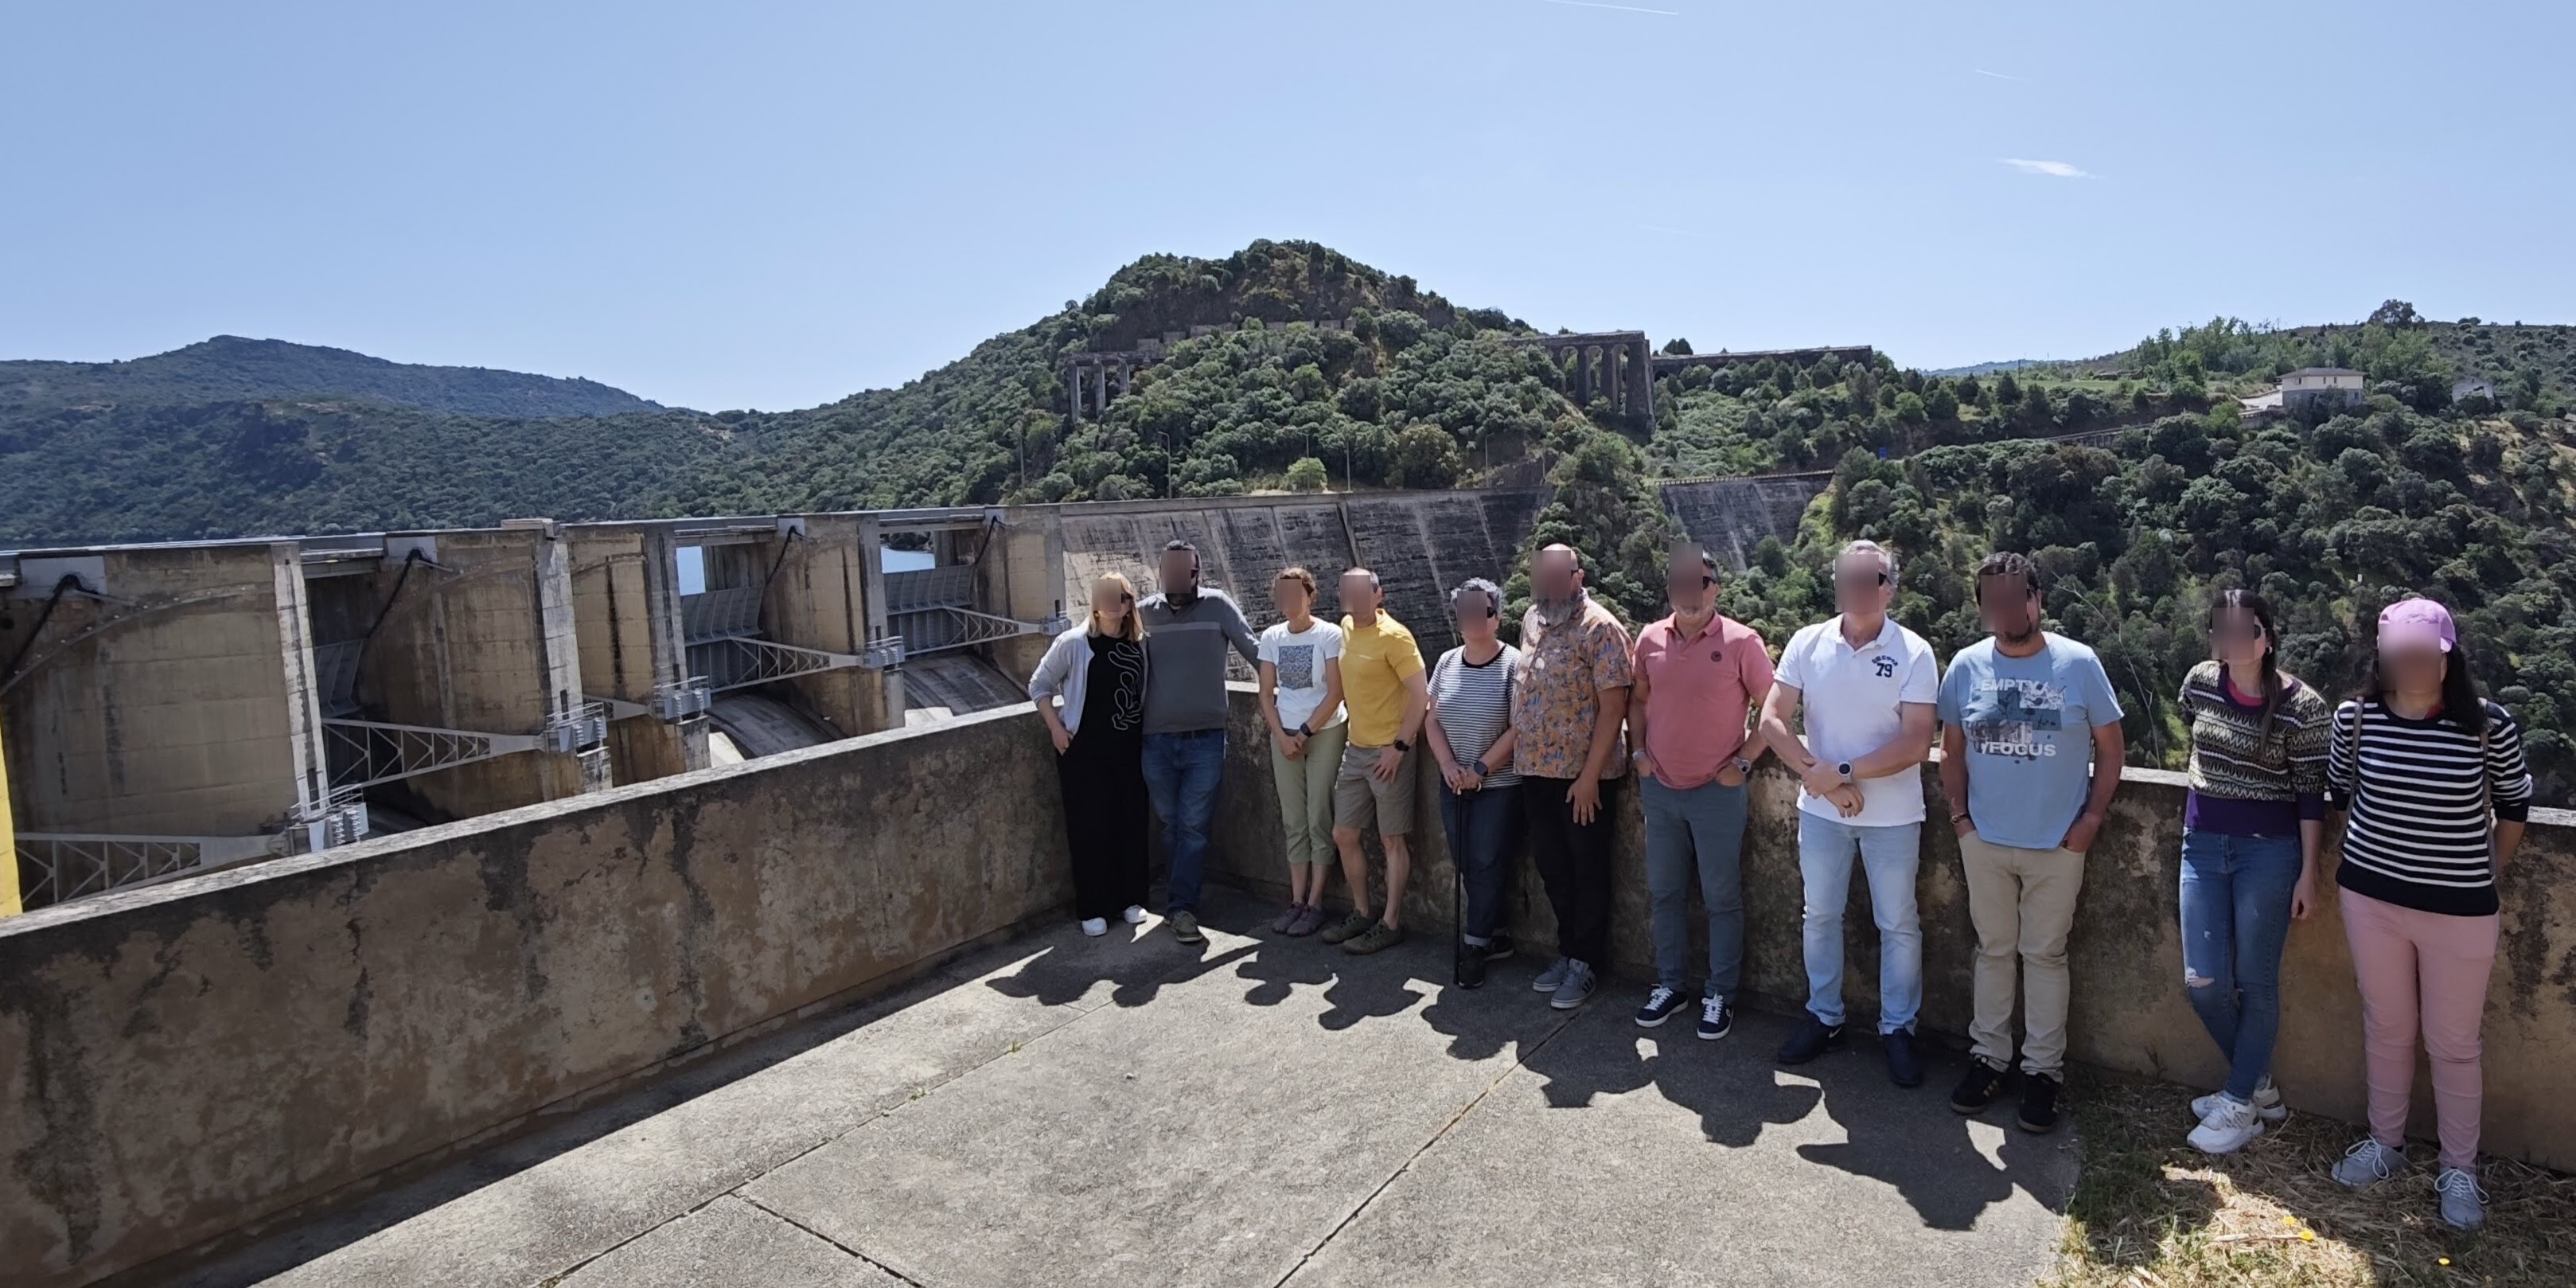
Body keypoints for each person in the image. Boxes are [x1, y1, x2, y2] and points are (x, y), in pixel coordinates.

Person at [2324, 598, 2530, 1231]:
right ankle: (2384, 1146)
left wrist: (2482, 873)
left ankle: (2459, 1170)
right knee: (2385, 1026)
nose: (2409, 667)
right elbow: (2340, 795)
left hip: (2461, 911)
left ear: (2447, 657)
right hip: (2370, 900)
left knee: (2453, 1043)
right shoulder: (2354, 718)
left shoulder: (2487, 724)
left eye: (2422, 656)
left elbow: (2514, 809)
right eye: (2398, 656)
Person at [1937, 551, 2125, 1134]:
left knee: (2044, 956)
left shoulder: (2078, 663)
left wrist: (2090, 819)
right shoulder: (1966, 666)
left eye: (2015, 596)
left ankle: (2042, 1072)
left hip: (2056, 843)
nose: (2006, 608)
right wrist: (1960, 819)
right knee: (1993, 951)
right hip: (1984, 839)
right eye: (1992, 599)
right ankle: (1988, 1059)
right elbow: (1951, 748)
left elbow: (2112, 748)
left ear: (2036, 599)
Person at [1760, 540, 1939, 1087]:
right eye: (1846, 576)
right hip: (1821, 812)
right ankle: (1824, 1016)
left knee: (1898, 925)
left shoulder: (1914, 651)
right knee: (1818, 916)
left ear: (1888, 587)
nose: (1856, 586)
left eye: (1869, 577)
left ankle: (1898, 1029)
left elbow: (1914, 743)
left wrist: (1837, 772)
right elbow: (1770, 719)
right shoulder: (1806, 642)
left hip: (1892, 816)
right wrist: (1822, 779)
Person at [2174, 588, 2331, 1155]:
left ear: (2265, 636)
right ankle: (2256, 1086)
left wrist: (2308, 872)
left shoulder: (2302, 706)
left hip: (2269, 850)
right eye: (2221, 629)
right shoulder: (2198, 681)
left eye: (2243, 629)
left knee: (2254, 981)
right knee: (2202, 981)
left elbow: (2312, 794)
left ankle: (2238, 1104)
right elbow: (2190, 730)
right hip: (2202, 844)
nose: (2230, 640)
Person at [1628, 544, 1774, 1040]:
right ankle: (1671, 984)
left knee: (1721, 898)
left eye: (1702, 583)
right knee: (1665, 892)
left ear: (1716, 587)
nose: (1691, 593)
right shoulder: (1648, 639)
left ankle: (1720, 993)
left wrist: (1744, 762)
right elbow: (1639, 700)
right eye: (1682, 584)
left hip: (1717, 791)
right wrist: (1640, 755)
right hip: (1661, 789)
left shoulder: (1742, 642)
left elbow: (1772, 713)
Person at [1510, 544, 1634, 1010]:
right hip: (1536, 770)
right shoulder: (1531, 619)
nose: (1547, 585)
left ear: (1578, 577)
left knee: (1587, 870)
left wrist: (1589, 778)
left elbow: (1614, 708)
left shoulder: (1601, 627)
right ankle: (1568, 951)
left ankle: (1585, 963)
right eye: (1541, 576)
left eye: (1557, 576)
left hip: (1584, 777)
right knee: (1553, 868)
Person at [1136, 538, 1259, 946]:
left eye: (1180, 572)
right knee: (1172, 825)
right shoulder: (1144, 615)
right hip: (1156, 740)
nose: (1172, 579)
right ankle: (1177, 897)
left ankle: (1181, 908)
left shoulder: (1218, 606)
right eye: (1166, 571)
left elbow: (1257, 654)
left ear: (1196, 573)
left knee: (1192, 826)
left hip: (1206, 738)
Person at [1027, 572, 1152, 938]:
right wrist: (1055, 727)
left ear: (1131, 605)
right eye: (1108, 597)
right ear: (1095, 602)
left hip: (1129, 749)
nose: (1116, 603)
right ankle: (1093, 906)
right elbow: (1039, 684)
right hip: (1084, 751)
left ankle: (1131, 900)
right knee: (1089, 828)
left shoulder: (1139, 643)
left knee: (1130, 823)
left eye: (1123, 597)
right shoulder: (1074, 643)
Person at [1320, 568, 1428, 955]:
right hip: (1356, 747)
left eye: (1362, 591)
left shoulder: (1395, 637)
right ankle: (1363, 912)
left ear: (1378, 595)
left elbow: (1421, 693)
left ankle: (1391, 922)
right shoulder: (1346, 626)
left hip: (1389, 752)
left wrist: (1399, 746)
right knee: (1344, 834)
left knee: (1392, 840)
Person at [1424, 578, 1523, 989]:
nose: (1469, 619)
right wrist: (1448, 765)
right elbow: (1431, 719)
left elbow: (1520, 727)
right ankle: (1497, 933)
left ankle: (1475, 944)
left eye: (1478, 611)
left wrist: (1480, 769)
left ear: (1495, 617)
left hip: (1498, 783)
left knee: (1485, 860)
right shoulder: (1447, 661)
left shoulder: (1514, 664)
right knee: (1466, 860)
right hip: (1454, 781)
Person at [1257, 567, 1346, 938]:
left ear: (1311, 596)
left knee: (1318, 817)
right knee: (1294, 818)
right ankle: (1296, 901)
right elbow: (1265, 693)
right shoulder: (1272, 637)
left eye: (1296, 594)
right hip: (1285, 735)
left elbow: (1336, 692)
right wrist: (1282, 735)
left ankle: (1315, 903)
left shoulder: (1329, 634)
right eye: (1283, 594)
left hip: (1324, 731)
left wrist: (1306, 732)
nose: (1289, 601)